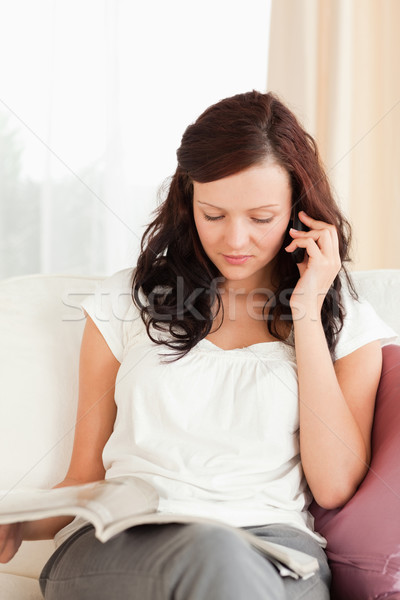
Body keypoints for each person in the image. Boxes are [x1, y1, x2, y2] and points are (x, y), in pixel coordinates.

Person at [0, 90, 396, 599]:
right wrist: (18, 525)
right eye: (214, 215)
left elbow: (335, 485)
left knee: (224, 561)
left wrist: (306, 314)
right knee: (209, 554)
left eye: (261, 218)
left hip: (273, 556)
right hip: (125, 545)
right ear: (188, 202)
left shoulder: (346, 322)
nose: (235, 240)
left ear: (299, 209)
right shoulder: (126, 301)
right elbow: (84, 475)